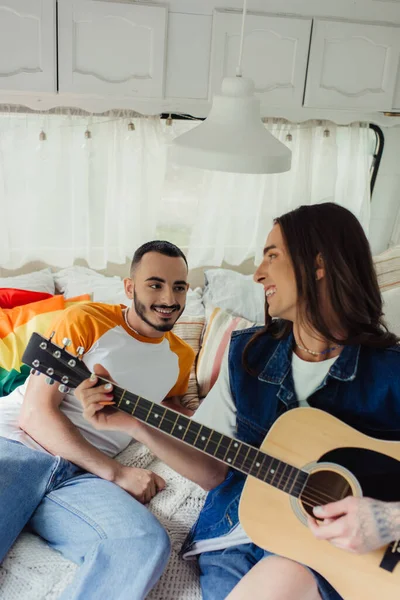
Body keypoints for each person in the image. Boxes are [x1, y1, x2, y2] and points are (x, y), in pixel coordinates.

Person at [75, 203, 400, 600]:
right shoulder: (247, 355)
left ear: (318, 264)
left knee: (287, 574)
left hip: (345, 555)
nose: (258, 273)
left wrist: (390, 518)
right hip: (238, 539)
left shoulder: (391, 373)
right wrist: (135, 424)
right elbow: (214, 473)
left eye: (272, 255)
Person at [0, 240, 195, 600]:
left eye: (179, 286)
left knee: (142, 543)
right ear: (129, 287)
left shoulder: (181, 357)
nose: (169, 298)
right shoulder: (87, 319)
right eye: (155, 284)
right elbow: (35, 414)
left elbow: (171, 409)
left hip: (79, 481)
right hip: (18, 446)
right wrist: (118, 473)